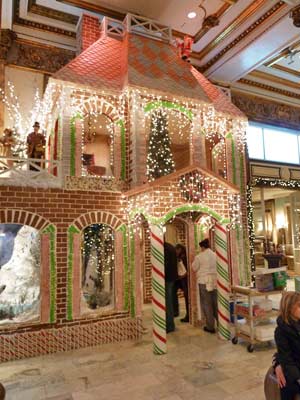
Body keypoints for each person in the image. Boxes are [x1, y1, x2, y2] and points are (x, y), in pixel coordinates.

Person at [273, 291, 300, 400]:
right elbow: (286, 357)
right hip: (294, 370)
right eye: (299, 305)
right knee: (287, 384)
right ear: (289, 308)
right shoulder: (281, 331)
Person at [192, 238, 217, 333]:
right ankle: (221, 324)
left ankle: (210, 326)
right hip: (214, 281)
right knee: (215, 303)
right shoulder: (215, 255)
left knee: (207, 304)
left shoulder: (199, 256)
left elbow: (194, 268)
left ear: (202, 247)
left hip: (203, 281)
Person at [164, 241, 178, 333]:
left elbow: (165, 264)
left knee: (167, 302)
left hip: (167, 278)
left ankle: (169, 325)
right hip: (172, 277)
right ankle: (170, 323)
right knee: (170, 300)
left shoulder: (165, 248)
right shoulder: (171, 247)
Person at [173, 243, 189, 323]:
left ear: (179, 249)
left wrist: (178, 277)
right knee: (187, 298)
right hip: (185, 281)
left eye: (176, 250)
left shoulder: (182, 258)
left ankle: (188, 316)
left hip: (185, 281)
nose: (175, 252)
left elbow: (184, 272)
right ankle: (188, 315)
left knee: (187, 298)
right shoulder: (184, 256)